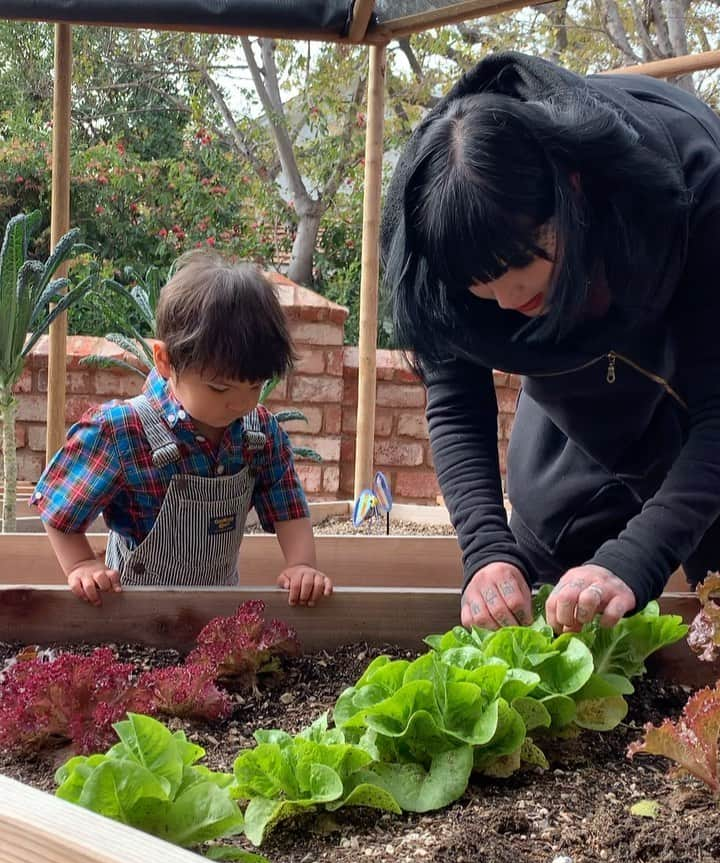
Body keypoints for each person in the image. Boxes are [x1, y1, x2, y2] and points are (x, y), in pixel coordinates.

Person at [382, 51, 720, 633]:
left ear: (573, 189)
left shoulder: (695, 184)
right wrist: (486, 550)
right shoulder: (438, 240)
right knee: (539, 583)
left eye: (520, 263)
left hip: (694, 388)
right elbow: (456, 398)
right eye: (480, 284)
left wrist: (635, 561)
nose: (508, 300)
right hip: (573, 413)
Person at [32, 251, 333, 607]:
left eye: (255, 387)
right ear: (165, 360)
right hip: (133, 618)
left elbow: (289, 509)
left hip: (217, 614)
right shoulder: (121, 432)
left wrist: (301, 565)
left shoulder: (259, 436)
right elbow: (58, 509)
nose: (239, 404)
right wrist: (81, 564)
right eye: (220, 389)